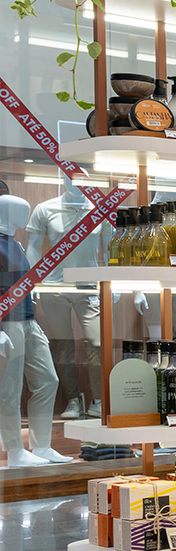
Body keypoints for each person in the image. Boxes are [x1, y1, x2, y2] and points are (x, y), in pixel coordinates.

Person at [28, 177, 108, 418]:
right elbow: (33, 247)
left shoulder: (100, 209)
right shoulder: (45, 208)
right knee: (63, 345)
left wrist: (111, 284)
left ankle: (99, 400)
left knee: (97, 342)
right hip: (54, 287)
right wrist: (32, 282)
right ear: (62, 178)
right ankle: (74, 400)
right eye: (68, 176)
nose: (74, 182)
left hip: (89, 287)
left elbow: (108, 248)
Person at [1, 194, 67, 465]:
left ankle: (41, 446)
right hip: (8, 323)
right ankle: (14, 451)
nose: (25, 216)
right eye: (21, 211)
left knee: (48, 380)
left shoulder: (16, 244)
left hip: (28, 319)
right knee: (10, 388)